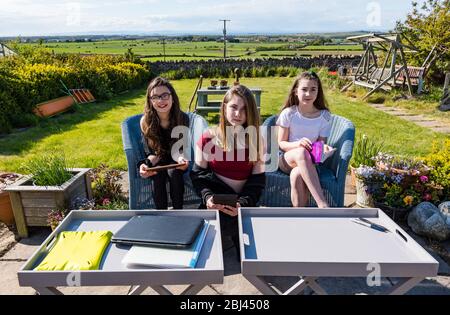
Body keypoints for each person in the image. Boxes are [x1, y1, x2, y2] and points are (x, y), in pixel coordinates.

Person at [190, 85, 265, 253]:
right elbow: (197, 175)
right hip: (216, 202)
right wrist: (207, 197)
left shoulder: (256, 140)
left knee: (249, 257)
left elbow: (258, 181)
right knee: (204, 251)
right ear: (224, 108)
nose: (238, 114)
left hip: (243, 202)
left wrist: (242, 204)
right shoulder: (207, 139)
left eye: (244, 109)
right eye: (233, 107)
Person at [277, 71, 332, 208]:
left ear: (318, 92)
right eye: (304, 89)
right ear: (296, 91)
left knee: (297, 175)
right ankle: (322, 204)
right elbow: (281, 144)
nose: (308, 94)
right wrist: (298, 144)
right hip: (287, 159)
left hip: (310, 162)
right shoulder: (289, 113)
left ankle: (300, 216)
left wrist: (323, 148)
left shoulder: (324, 116)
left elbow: (320, 144)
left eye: (313, 89)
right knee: (301, 152)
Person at [138, 77, 189, 209]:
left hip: (175, 157)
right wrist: (146, 165)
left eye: (165, 95)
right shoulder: (146, 121)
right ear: (150, 101)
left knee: (175, 173)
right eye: (155, 97)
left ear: (173, 97)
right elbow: (153, 153)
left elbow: (179, 149)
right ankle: (161, 214)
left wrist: (181, 160)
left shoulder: (182, 118)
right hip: (157, 158)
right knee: (157, 176)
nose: (160, 101)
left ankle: (179, 212)